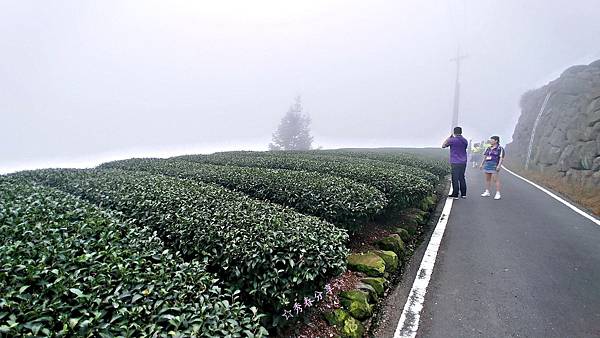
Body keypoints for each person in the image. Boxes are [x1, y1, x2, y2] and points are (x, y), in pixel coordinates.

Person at [442, 127, 468, 199]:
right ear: (461, 132)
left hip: (455, 161)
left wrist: (448, 138)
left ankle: (455, 194)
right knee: (462, 177)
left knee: (455, 178)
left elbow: (443, 146)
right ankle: (463, 194)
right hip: (463, 161)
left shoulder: (452, 140)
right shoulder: (465, 140)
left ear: (454, 132)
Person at [479, 135, 505, 200]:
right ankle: (487, 191)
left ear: (496, 141)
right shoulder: (488, 148)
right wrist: (482, 164)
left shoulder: (500, 148)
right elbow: (485, 156)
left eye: (492, 140)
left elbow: (501, 158)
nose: (490, 141)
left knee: (495, 179)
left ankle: (498, 193)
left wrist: (499, 165)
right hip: (487, 164)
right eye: (490, 140)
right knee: (487, 179)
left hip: (494, 165)